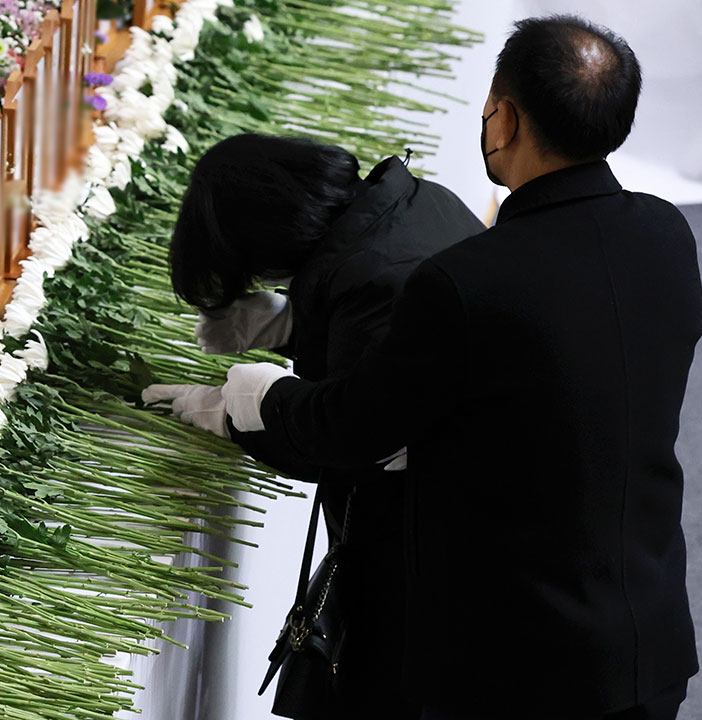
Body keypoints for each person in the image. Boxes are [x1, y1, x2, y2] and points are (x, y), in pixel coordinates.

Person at [218, 15, 702, 720]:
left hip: (519, 666)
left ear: (503, 119)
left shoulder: (467, 280)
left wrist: (266, 397)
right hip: (646, 635)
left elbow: (355, 429)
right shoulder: (667, 234)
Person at [143, 133, 483, 718]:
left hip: (435, 548)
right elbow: (393, 362)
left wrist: (246, 414)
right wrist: (296, 329)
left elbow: (351, 442)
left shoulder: (375, 277)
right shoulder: (413, 204)